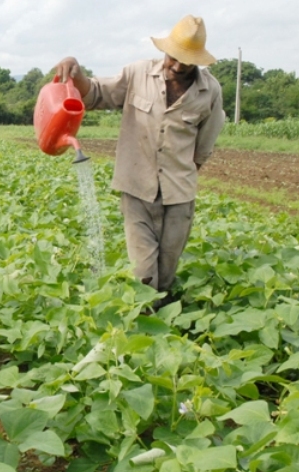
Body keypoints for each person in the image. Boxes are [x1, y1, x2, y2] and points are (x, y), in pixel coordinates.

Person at [54, 14, 225, 310]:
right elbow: (95, 94)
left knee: (167, 273)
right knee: (144, 274)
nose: (177, 66)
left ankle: (162, 323)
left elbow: (203, 148)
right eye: (174, 57)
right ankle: (143, 328)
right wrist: (76, 70)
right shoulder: (137, 74)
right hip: (136, 189)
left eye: (186, 61)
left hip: (178, 195)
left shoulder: (210, 91)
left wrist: (178, 177)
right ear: (165, 50)